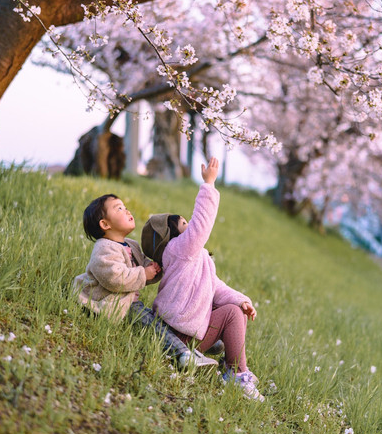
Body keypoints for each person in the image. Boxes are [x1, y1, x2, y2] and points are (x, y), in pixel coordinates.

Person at [141, 157, 264, 401]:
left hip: (190, 334)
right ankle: (237, 374)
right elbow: (201, 225)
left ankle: (234, 368)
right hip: (179, 334)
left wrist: (241, 300)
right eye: (184, 223)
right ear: (171, 236)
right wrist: (208, 184)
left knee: (233, 310)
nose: (190, 225)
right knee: (230, 314)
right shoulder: (178, 250)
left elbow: (215, 287)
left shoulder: (195, 259)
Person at [73, 193, 218, 370]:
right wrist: (144, 274)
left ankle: (194, 347)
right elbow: (115, 278)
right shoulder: (104, 248)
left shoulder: (131, 245)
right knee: (149, 323)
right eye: (119, 208)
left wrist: (158, 268)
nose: (126, 210)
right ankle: (183, 355)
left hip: (128, 304)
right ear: (105, 224)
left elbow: (144, 264)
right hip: (112, 304)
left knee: (154, 321)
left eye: (125, 206)